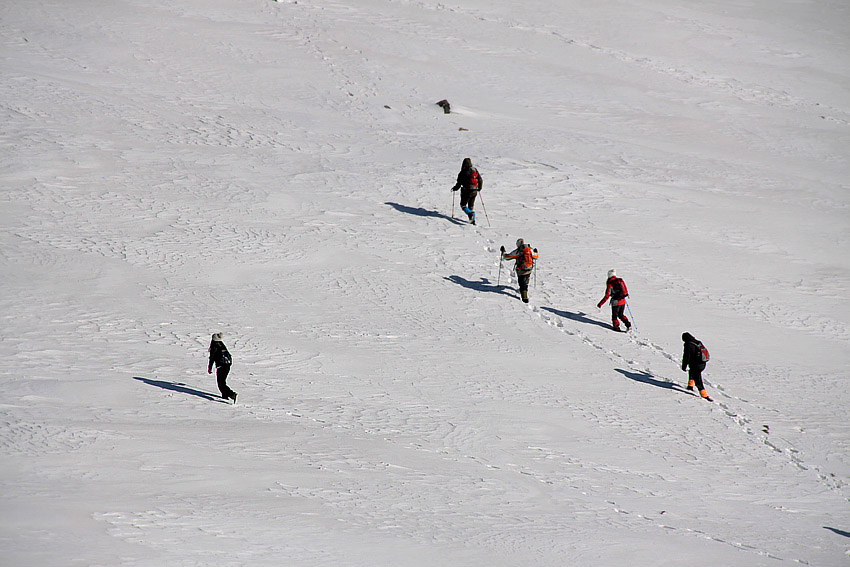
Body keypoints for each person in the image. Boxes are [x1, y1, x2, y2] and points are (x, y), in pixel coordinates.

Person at [500, 238, 538, 303]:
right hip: (529, 268)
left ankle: (524, 297)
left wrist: (503, 252)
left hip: (521, 270)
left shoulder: (518, 251)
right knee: (526, 279)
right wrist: (536, 252)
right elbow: (536, 256)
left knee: (522, 282)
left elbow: (507, 257)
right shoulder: (530, 250)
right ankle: (525, 289)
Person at [451, 157, 483, 225]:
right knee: (471, 206)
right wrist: (479, 188)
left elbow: (459, 183)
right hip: (474, 190)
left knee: (463, 205)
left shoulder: (463, 172)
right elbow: (480, 180)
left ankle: (470, 214)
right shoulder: (474, 170)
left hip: (466, 191)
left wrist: (455, 188)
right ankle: (473, 221)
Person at [681, 332, 712, 401]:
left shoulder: (688, 345)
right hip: (702, 363)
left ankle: (704, 395)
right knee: (691, 371)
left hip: (696, 365)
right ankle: (690, 386)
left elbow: (686, 357)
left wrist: (684, 366)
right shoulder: (698, 342)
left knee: (698, 380)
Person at [208, 332, 237, 403]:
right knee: (222, 381)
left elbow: (212, 358)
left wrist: (210, 368)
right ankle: (224, 395)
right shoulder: (222, 345)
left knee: (221, 383)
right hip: (227, 364)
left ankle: (231, 394)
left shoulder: (214, 346)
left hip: (221, 365)